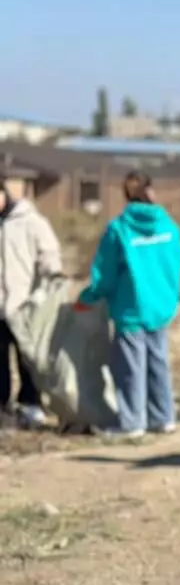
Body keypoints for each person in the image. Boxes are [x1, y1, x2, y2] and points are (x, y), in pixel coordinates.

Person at [76, 172, 180, 438]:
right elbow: (177, 260)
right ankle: (163, 417)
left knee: (130, 368)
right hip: (161, 306)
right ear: (151, 192)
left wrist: (87, 297)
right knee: (158, 361)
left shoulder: (119, 229)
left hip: (131, 308)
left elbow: (105, 273)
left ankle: (132, 422)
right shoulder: (168, 226)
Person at [0, 182, 62, 428]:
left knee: (29, 359)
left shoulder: (31, 221)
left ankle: (31, 403)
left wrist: (52, 275)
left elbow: (49, 254)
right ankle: (2, 406)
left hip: (24, 304)